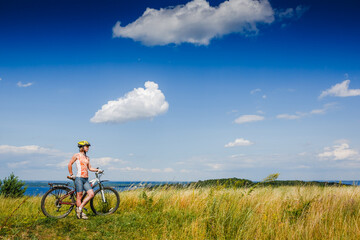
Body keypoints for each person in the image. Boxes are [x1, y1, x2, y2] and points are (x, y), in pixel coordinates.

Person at [68, 140, 101, 219]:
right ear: (81, 147)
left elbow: (89, 168)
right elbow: (70, 164)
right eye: (86, 146)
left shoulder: (87, 157)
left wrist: (97, 170)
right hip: (79, 178)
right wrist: (71, 174)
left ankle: (79, 208)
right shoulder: (77, 155)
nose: (88, 148)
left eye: (88, 147)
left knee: (91, 194)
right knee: (79, 196)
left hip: (85, 179)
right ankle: (81, 214)